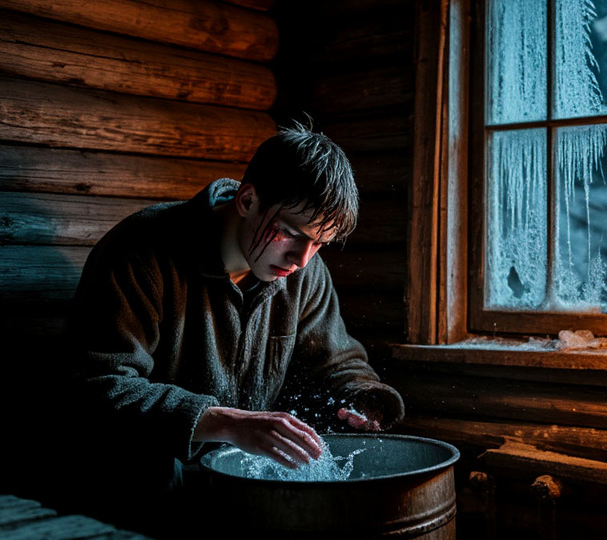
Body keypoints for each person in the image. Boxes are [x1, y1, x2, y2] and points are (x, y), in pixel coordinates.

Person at [56, 122, 404, 534]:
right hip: (135, 496)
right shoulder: (142, 252)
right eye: (291, 232)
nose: (302, 259)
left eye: (320, 243)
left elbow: (337, 360)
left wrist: (365, 401)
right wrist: (224, 422)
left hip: (241, 491)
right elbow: (94, 384)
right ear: (248, 199)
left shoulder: (303, 275)